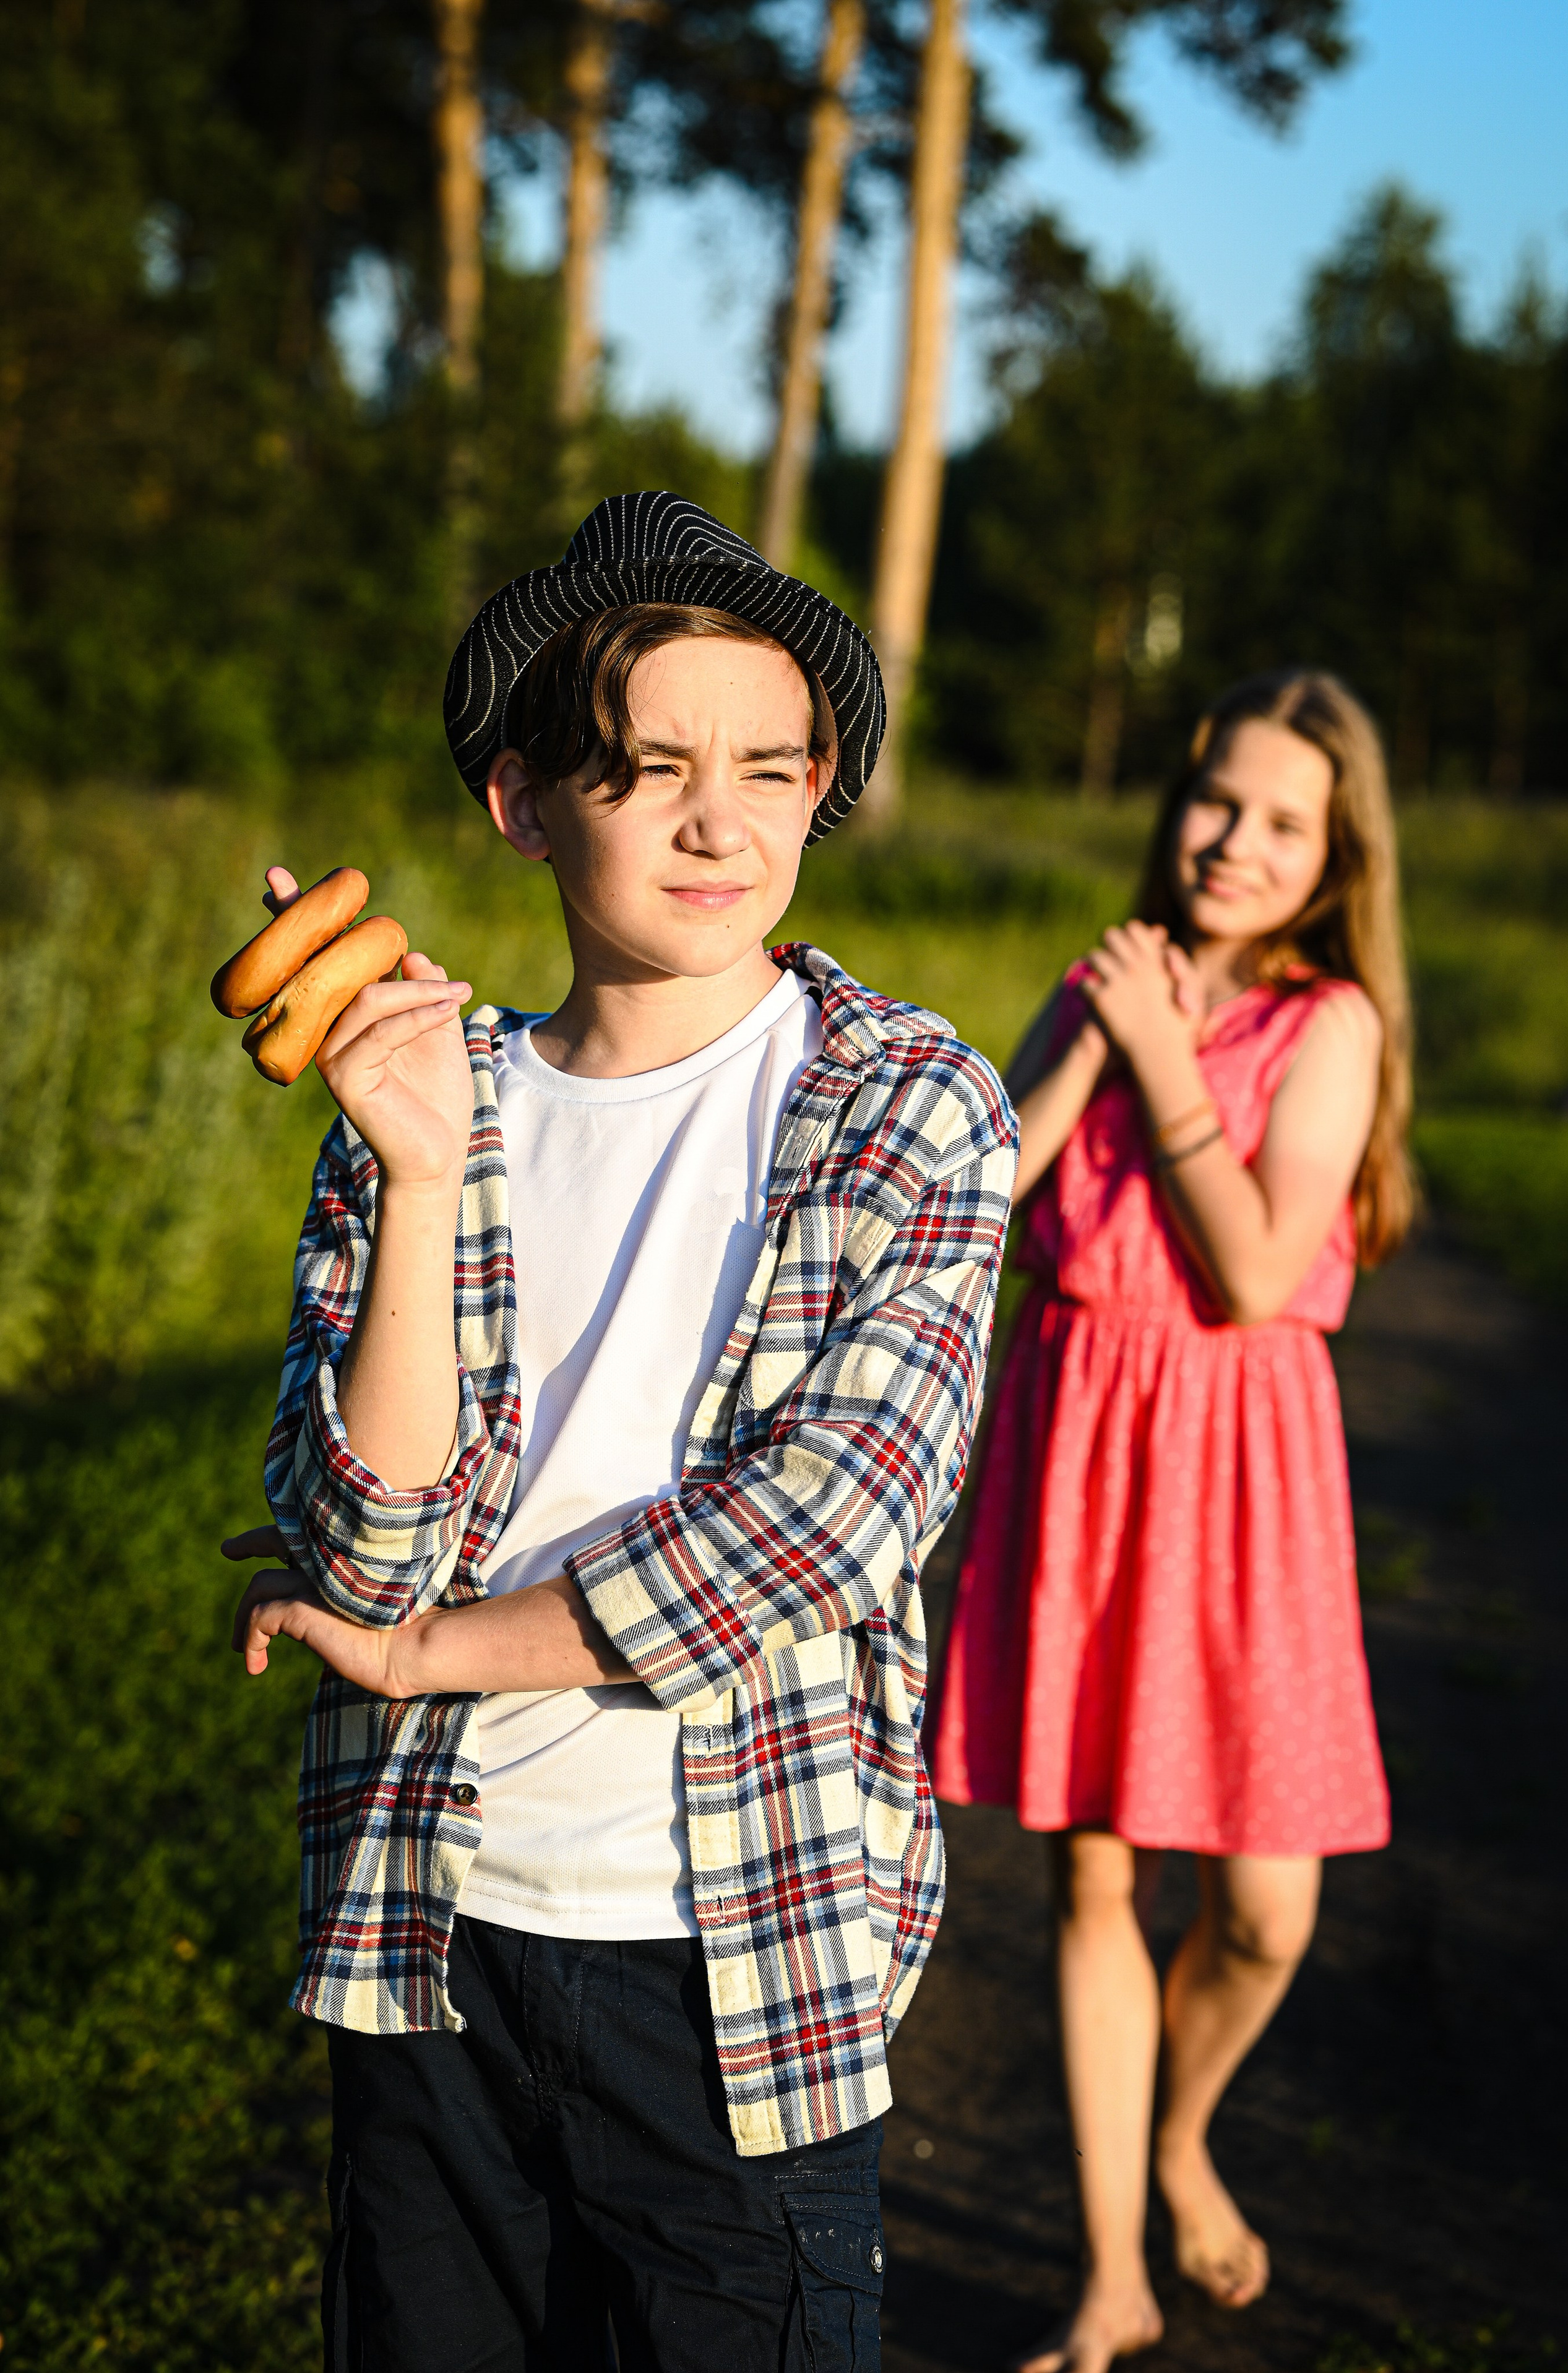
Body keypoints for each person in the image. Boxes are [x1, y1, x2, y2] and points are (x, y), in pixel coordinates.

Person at [222, 491, 1017, 2373]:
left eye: (767, 764)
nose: (718, 821)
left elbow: (828, 1524)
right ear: (521, 799)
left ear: (823, 782)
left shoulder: (908, 1103)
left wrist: (428, 1653)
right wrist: (417, 1175)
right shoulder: (426, 1097)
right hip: (429, 1928)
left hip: (738, 1953)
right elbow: (356, 1539)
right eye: (649, 765)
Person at [929, 670, 1415, 2373]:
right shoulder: (1103, 977)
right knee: (1097, 1884)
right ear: (1179, 799)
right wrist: (1091, 1033)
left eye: (1285, 820)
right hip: (1084, 1441)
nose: (1236, 839)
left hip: (1243, 1473)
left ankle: (1180, 2123)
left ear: (1336, 851)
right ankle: (1113, 2268)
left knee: (1269, 1906)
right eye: (1219, 798)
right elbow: (983, 1194)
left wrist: (1163, 1056)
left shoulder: (1330, 1021)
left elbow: (1264, 1266)